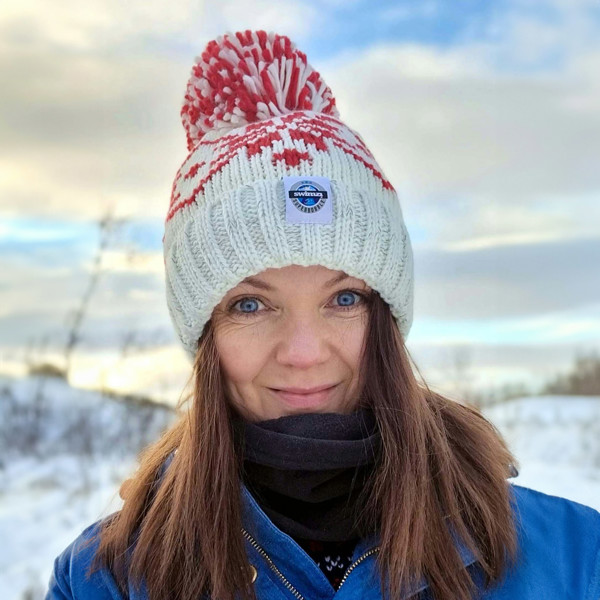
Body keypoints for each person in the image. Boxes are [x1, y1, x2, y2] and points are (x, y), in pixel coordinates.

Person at [45, 30, 600, 600]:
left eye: (343, 299)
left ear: (385, 315)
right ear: (204, 330)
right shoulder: (107, 578)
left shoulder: (577, 558)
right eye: (252, 305)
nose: (304, 353)